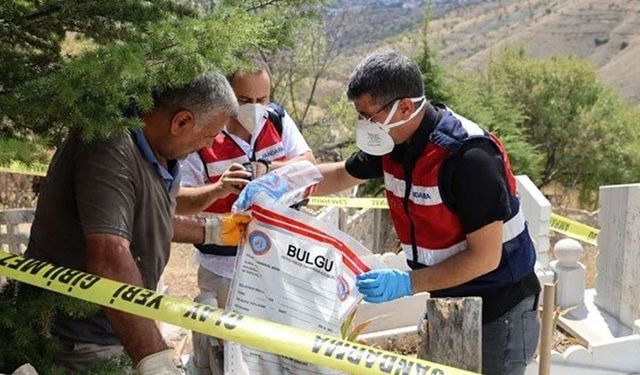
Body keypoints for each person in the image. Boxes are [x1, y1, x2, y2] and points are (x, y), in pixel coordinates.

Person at [310, 50, 540, 375]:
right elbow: (339, 175)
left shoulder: (468, 156)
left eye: (369, 116)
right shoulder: (394, 141)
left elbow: (484, 258)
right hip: (446, 301)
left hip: (498, 310)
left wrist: (407, 283)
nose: (364, 126)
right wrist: (280, 181)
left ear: (404, 107)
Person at [24, 71, 249, 374]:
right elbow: (109, 254)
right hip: (80, 337)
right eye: (208, 136)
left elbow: (152, 217)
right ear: (181, 122)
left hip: (117, 325)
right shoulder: (109, 146)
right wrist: (155, 359)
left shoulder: (162, 149)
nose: (207, 147)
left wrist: (221, 231)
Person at [176, 61, 315, 374]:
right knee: (224, 354)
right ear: (227, 96)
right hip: (223, 265)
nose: (255, 109)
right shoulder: (205, 134)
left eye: (262, 100)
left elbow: (308, 165)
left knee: (275, 353)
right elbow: (177, 201)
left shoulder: (276, 120)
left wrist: (267, 171)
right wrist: (218, 188)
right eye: (245, 101)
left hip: (277, 258)